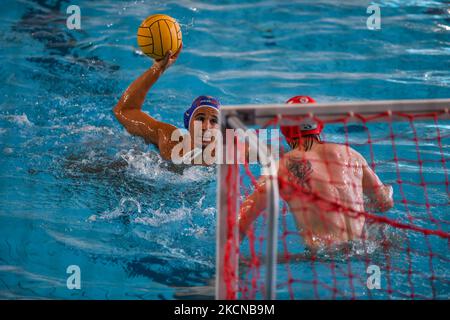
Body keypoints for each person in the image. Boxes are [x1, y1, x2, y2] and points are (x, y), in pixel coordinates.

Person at [238, 96, 394, 249]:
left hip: (322, 256)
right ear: (319, 124)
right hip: (365, 248)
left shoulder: (281, 166)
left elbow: (243, 219)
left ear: (285, 130)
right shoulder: (352, 155)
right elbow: (385, 203)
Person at [113, 45, 220, 165]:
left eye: (214, 121)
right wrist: (157, 69)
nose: (206, 126)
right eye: (200, 118)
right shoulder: (169, 139)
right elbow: (124, 110)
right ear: (188, 122)